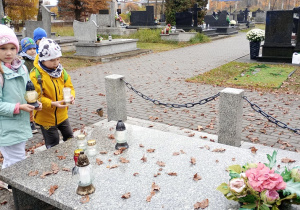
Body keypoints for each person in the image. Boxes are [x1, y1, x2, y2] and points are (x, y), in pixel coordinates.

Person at [0, 25, 42, 190]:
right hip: (6, 126)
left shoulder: (21, 67)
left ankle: (5, 180)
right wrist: (19, 107)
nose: (8, 53)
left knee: (12, 158)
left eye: (12, 48)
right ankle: (21, 191)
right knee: (18, 160)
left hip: (21, 122)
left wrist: (34, 103)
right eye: (3, 48)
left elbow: (27, 90)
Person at [30, 38, 75, 149]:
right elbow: (36, 98)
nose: (56, 63)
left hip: (62, 115)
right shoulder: (36, 75)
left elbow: (69, 86)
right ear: (42, 59)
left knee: (70, 137)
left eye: (58, 59)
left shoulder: (61, 71)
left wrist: (71, 95)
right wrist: (53, 103)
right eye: (52, 60)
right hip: (46, 118)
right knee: (53, 144)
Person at [19, 37, 38, 134]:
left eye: (34, 48)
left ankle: (36, 119)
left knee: (36, 103)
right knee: (30, 104)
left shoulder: (36, 59)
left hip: (36, 85)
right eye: (30, 49)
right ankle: (31, 122)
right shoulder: (23, 62)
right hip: (28, 86)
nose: (32, 51)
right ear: (25, 50)